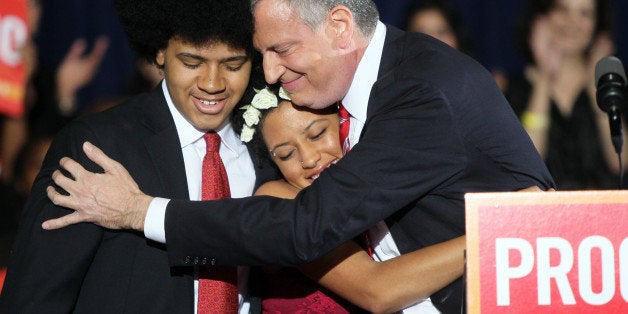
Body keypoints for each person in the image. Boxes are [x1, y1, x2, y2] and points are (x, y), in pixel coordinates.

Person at [42, 1, 555, 312]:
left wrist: (141, 211)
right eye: (261, 54)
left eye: (281, 50)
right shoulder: (380, 86)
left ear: (337, 26)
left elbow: (310, 228)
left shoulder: (416, 91)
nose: (267, 72)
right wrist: (493, 235)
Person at [0, 0, 280, 312]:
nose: (212, 84)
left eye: (232, 65)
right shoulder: (98, 145)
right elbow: (34, 299)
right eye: (192, 63)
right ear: (160, 53)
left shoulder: (271, 151)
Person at [238, 85, 465, 312]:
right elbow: (377, 292)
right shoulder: (277, 200)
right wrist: (489, 235)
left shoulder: (385, 183)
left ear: (346, 123)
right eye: (287, 154)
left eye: (317, 135)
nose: (309, 159)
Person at [505, 0, 625, 190]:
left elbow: (621, 162)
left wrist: (598, 88)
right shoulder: (514, 88)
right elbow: (526, 164)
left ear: (597, 24)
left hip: (604, 213)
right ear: (542, 19)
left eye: (584, 13)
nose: (572, 22)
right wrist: (545, 77)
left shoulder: (614, 87)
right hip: (543, 215)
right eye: (563, 9)